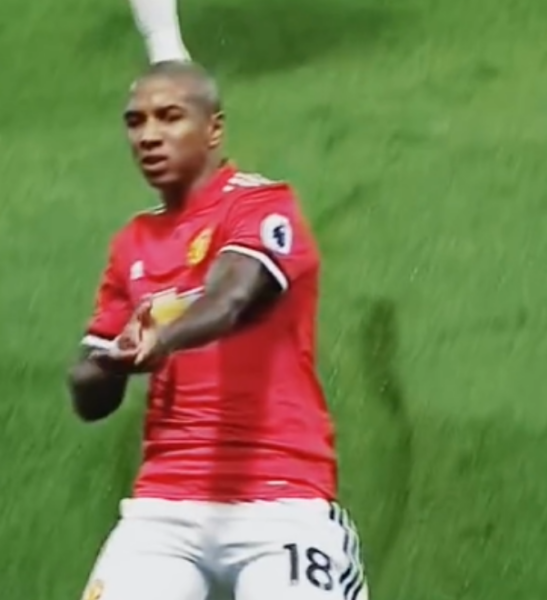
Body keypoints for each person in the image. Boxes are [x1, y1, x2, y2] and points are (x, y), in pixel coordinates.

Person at [67, 61, 368, 600]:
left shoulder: (262, 204)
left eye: (169, 117)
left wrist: (163, 339)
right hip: (164, 508)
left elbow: (231, 298)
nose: (148, 136)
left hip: (281, 501)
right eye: (135, 122)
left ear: (214, 129)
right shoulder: (131, 243)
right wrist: (111, 362)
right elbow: (90, 398)